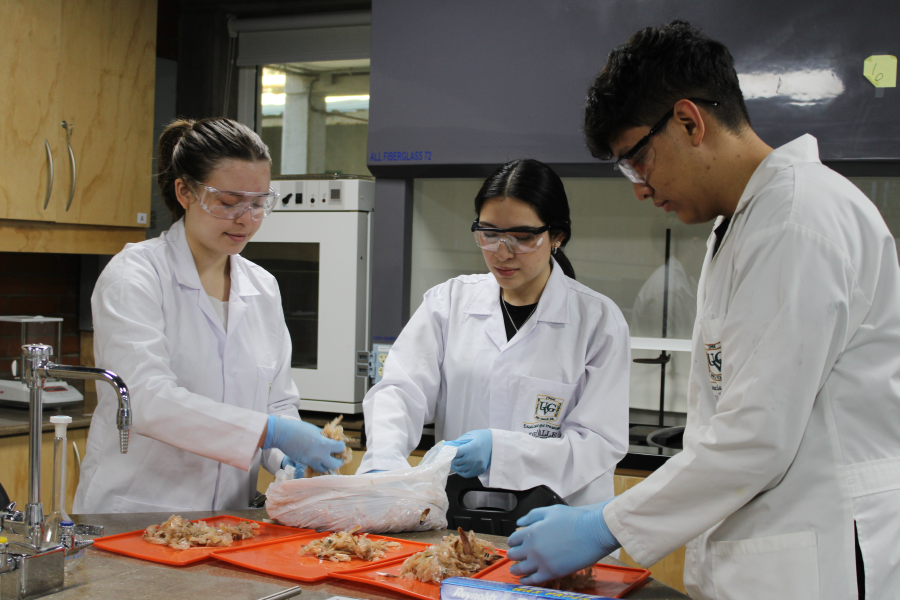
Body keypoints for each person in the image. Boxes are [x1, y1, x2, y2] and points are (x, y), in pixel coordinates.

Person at [507, 21, 900, 599]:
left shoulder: (800, 220)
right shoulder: (744, 223)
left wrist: (604, 525)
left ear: (689, 121)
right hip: (769, 552)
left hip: (822, 559)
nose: (638, 188)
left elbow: (756, 435)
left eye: (636, 161)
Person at [73, 118, 345, 513]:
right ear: (185, 192)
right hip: (136, 513)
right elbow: (147, 400)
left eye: (258, 203)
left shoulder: (262, 286)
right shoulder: (135, 275)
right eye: (229, 201)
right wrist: (269, 432)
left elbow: (277, 401)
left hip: (228, 518)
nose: (246, 219)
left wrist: (284, 456)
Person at [358, 159, 629, 507]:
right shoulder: (448, 303)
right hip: (460, 515)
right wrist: (383, 461)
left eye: (522, 237)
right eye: (489, 233)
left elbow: (597, 444)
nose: (502, 252)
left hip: (560, 524)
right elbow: (399, 391)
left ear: (557, 236)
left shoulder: (597, 321)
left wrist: (501, 452)